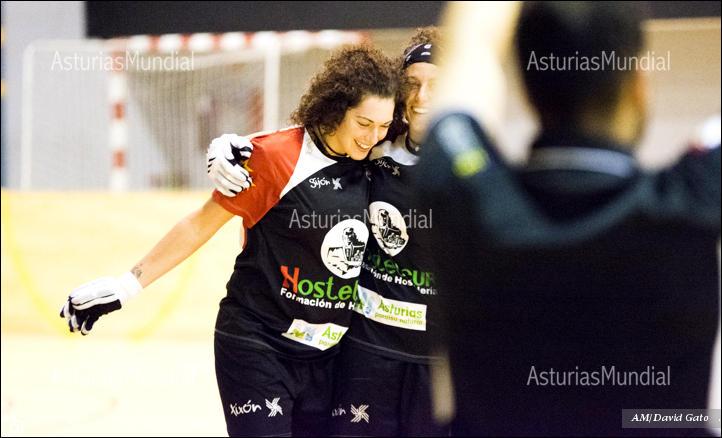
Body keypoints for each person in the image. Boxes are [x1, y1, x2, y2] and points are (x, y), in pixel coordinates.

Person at [60, 44, 400, 437]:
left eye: (383, 125)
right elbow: (199, 224)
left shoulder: (379, 160)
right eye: (363, 123)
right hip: (258, 345)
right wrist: (127, 284)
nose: (373, 135)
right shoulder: (278, 158)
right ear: (336, 107)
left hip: (330, 356)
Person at [418, 2, 720, 436]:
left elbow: (473, 45)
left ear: (524, 89)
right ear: (637, 84)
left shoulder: (469, 193)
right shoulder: (693, 199)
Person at [206, 28, 452, 436]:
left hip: (441, 362)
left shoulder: (482, 157)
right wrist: (233, 145)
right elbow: (312, 139)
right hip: (365, 354)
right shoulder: (377, 142)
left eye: (437, 85)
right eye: (411, 84)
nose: (422, 98)